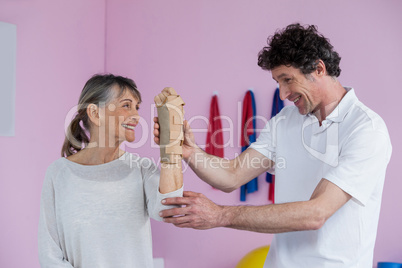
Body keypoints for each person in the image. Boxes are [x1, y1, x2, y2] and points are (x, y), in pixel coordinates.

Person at [154, 24, 392, 267]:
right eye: (278, 82)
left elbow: (316, 213)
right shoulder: (285, 122)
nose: (282, 94)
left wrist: (220, 215)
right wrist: (190, 152)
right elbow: (232, 175)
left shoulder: (365, 129)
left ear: (319, 69)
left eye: (288, 80)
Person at [38, 74, 183, 268]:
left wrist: (171, 144)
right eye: (126, 105)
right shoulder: (58, 173)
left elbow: (170, 211)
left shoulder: (141, 169)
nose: (136, 116)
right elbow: (50, 255)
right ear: (95, 114)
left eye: (137, 107)